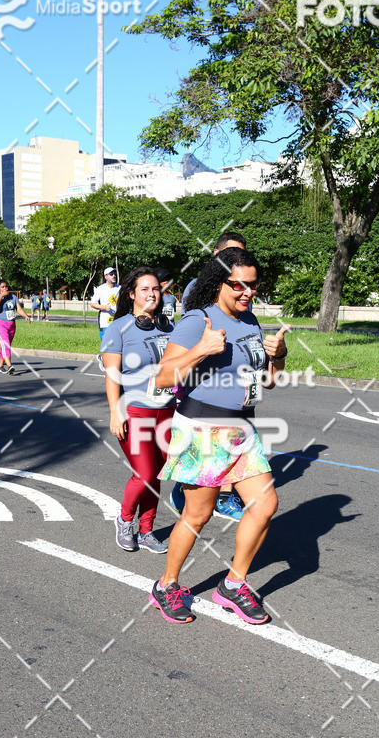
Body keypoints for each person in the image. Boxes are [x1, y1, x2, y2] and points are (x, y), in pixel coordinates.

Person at [148, 247, 288, 624]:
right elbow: (162, 377)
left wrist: (279, 357)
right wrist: (202, 350)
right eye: (238, 285)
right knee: (198, 514)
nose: (247, 292)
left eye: (253, 286)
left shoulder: (252, 322)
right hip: (201, 429)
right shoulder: (198, 320)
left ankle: (233, 584)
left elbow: (266, 385)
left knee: (265, 505)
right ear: (218, 282)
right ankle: (167, 586)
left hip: (242, 429)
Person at [173, 231, 248, 523]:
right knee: (205, 447)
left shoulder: (244, 288)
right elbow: (189, 333)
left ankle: (226, 497)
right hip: (202, 376)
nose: (234, 260)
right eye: (228, 254)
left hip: (236, 377)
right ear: (215, 255)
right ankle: (187, 487)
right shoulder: (198, 287)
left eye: (240, 254)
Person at [101, 267, 176, 554]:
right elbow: (112, 375)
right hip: (135, 411)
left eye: (156, 289)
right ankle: (124, 520)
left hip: (167, 411)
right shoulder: (118, 328)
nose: (152, 294)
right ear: (131, 294)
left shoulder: (169, 327)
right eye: (144, 289)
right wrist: (114, 412)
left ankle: (146, 530)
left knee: (158, 473)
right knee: (144, 473)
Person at [0, 280, 31, 374]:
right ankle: (9, 366)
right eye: (2, 287)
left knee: (4, 346)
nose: (5, 288)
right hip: (0, 324)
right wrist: (1, 295)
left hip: (11, 325)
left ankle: (0, 367)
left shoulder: (13, 297)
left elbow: (19, 309)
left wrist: (26, 316)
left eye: (6, 286)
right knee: (6, 344)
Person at [91, 267, 121, 371]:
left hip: (117, 321)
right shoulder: (101, 289)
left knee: (117, 343)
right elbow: (93, 303)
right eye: (111, 274)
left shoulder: (119, 288)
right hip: (104, 321)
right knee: (106, 344)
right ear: (106, 276)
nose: (114, 275)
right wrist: (104, 307)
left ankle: (113, 365)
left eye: (114, 273)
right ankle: (103, 358)